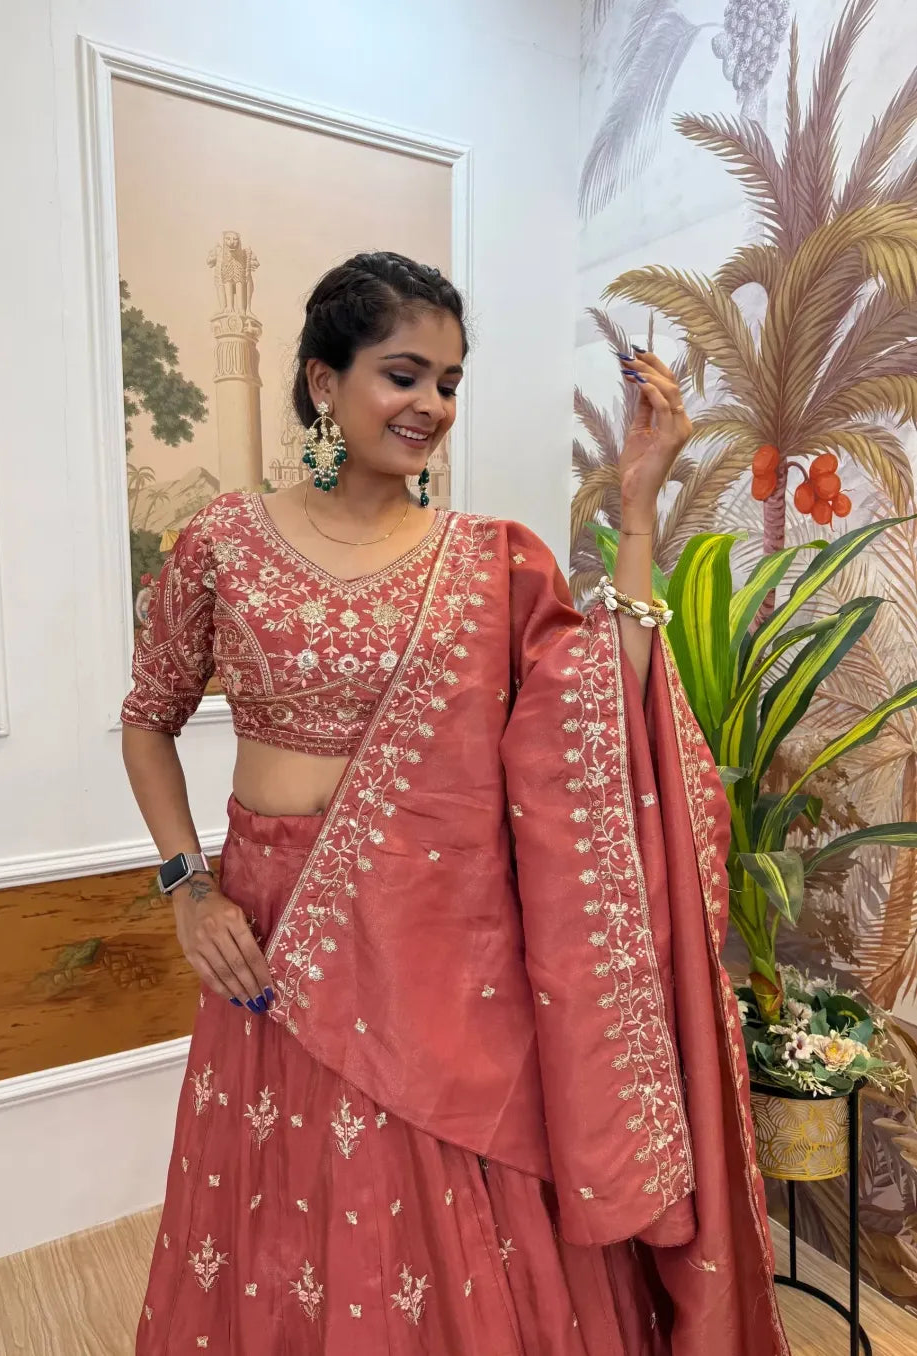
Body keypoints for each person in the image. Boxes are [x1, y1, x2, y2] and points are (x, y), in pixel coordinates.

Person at [121, 252, 789, 1356]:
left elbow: (605, 716)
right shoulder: (221, 544)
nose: (430, 405)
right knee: (283, 1208)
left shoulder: (490, 561)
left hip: (439, 956)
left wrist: (636, 504)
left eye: (448, 382)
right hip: (268, 936)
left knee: (444, 1218)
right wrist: (187, 887)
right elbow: (147, 718)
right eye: (403, 374)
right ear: (322, 380)